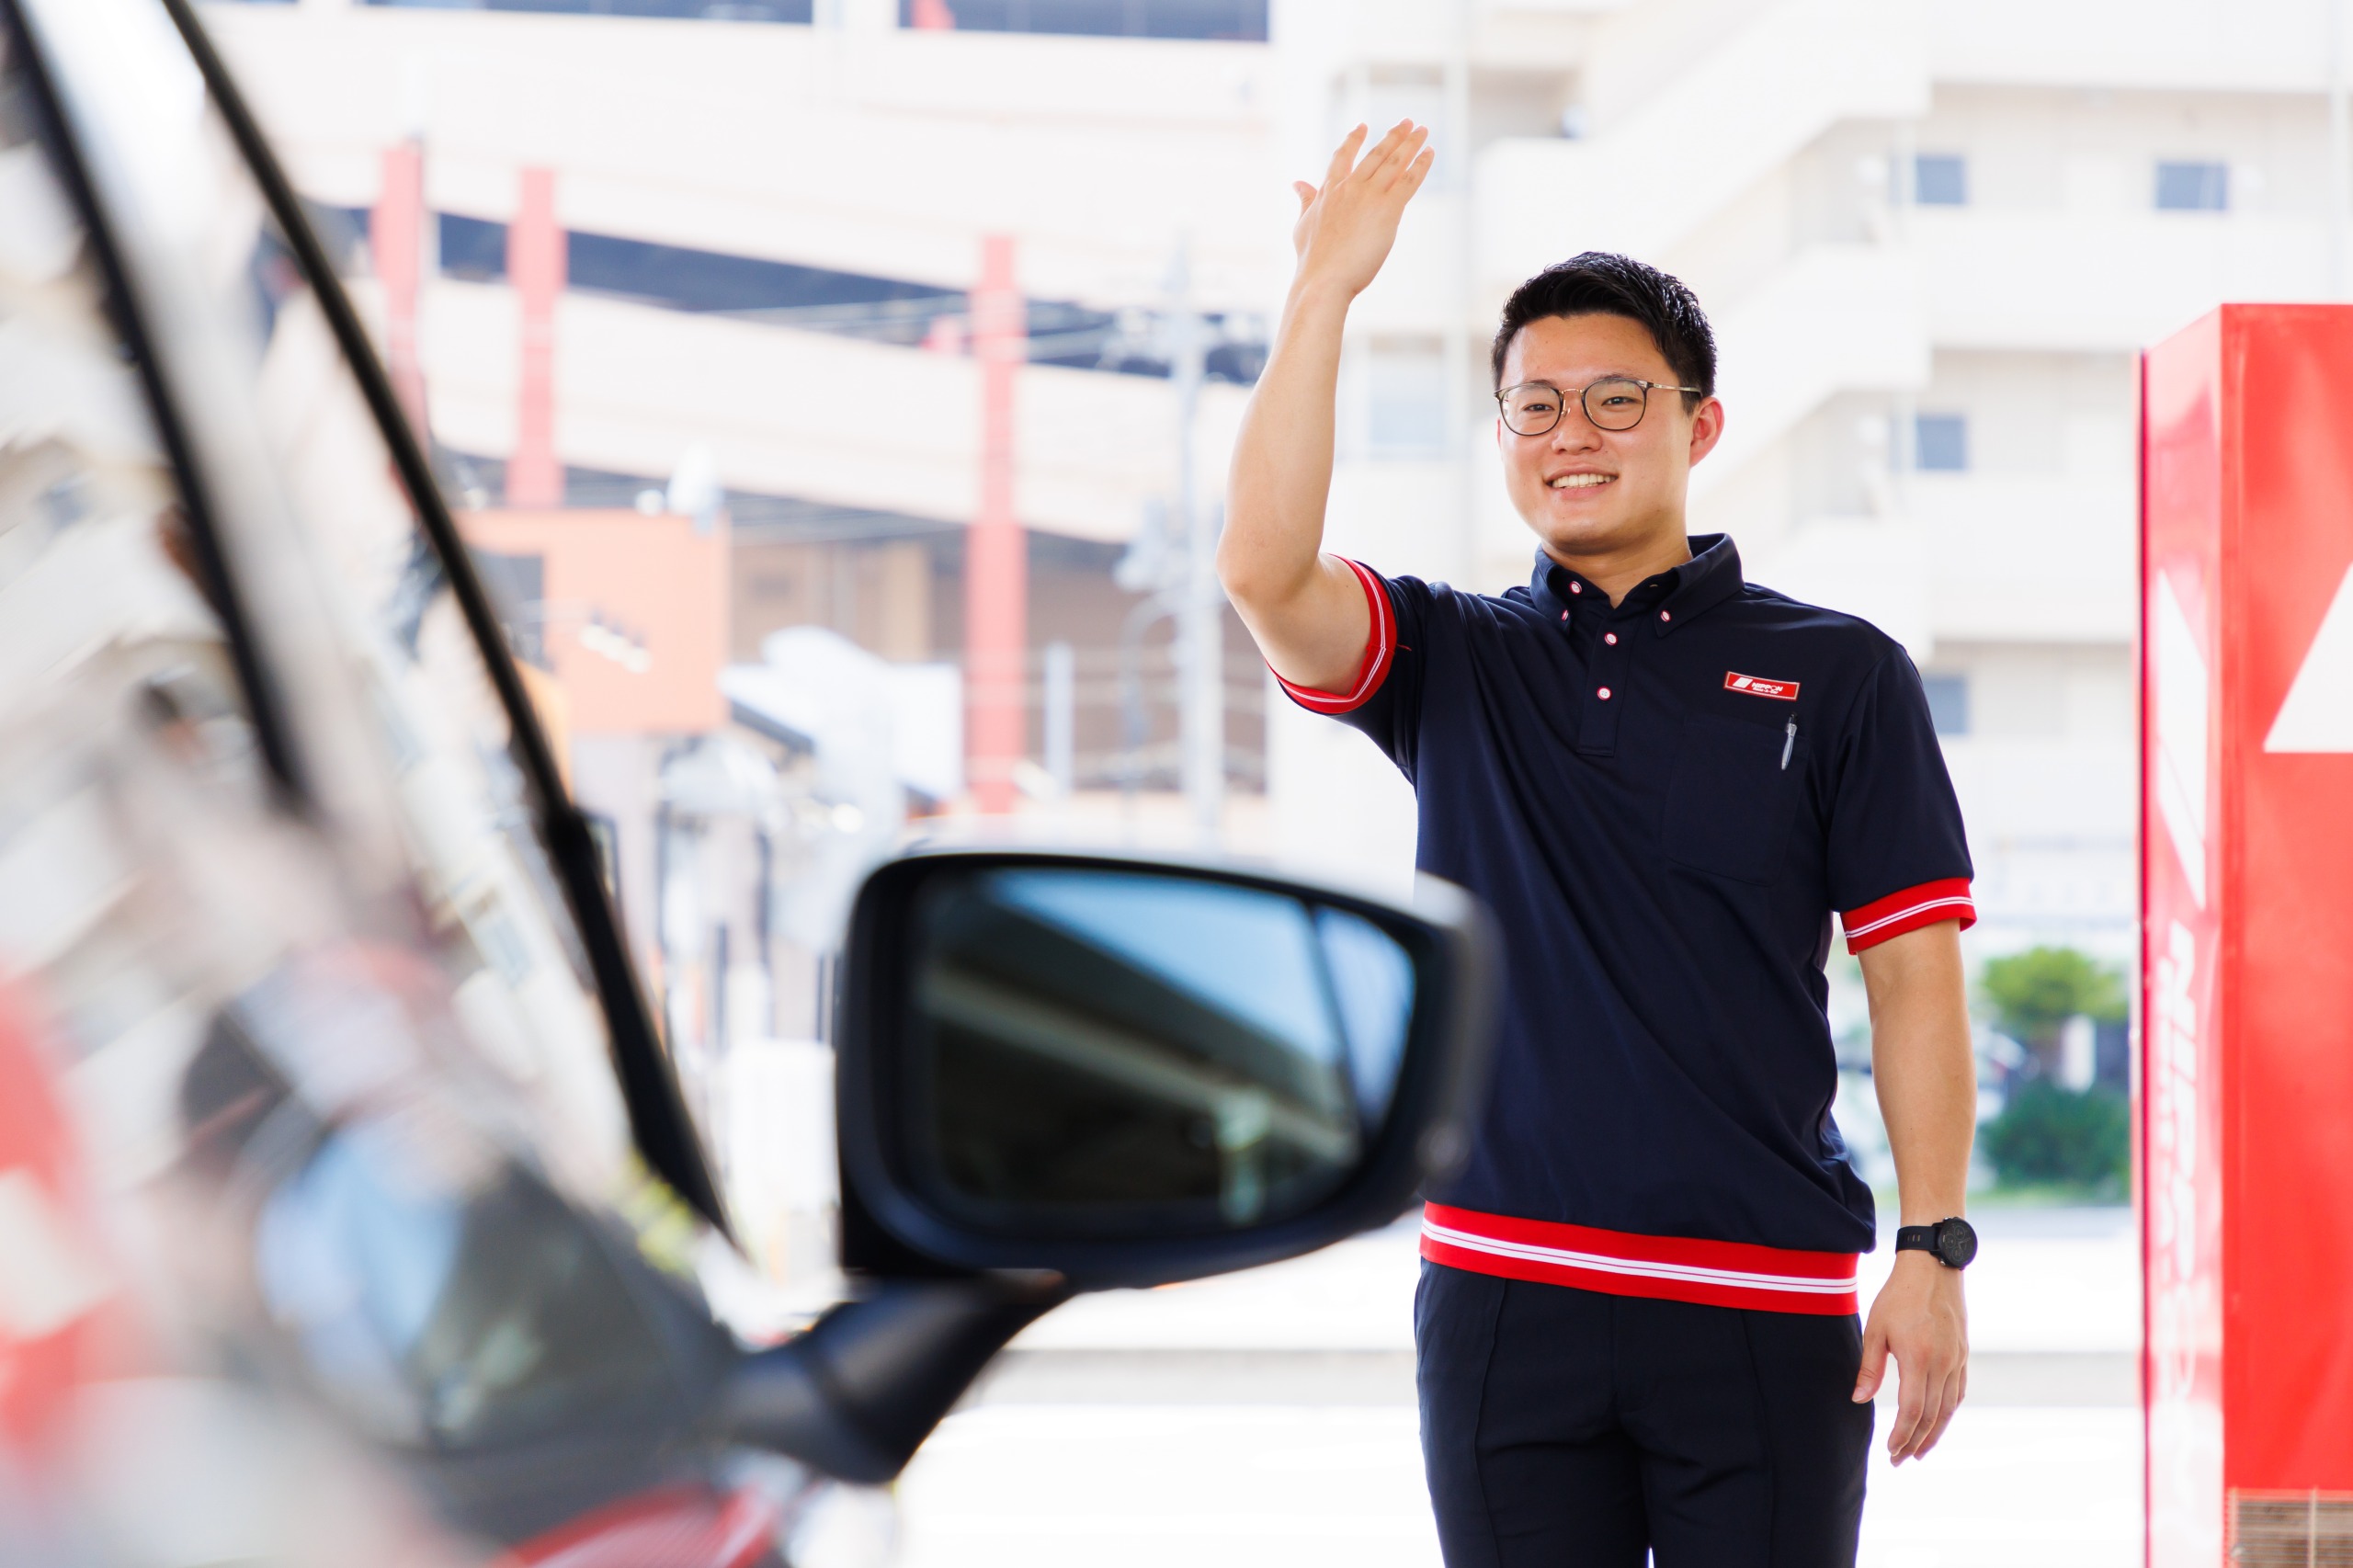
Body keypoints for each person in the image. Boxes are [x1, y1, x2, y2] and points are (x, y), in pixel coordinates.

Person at [1219, 121, 1980, 1566]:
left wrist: (1935, 1251)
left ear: (1699, 424)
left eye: (1616, 399)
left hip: (1761, 1303)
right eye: (1536, 406)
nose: (1572, 434)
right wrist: (1323, 292)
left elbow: (1914, 978)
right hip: (1507, 1295)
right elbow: (1261, 569)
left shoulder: (1842, 674)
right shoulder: (1451, 658)